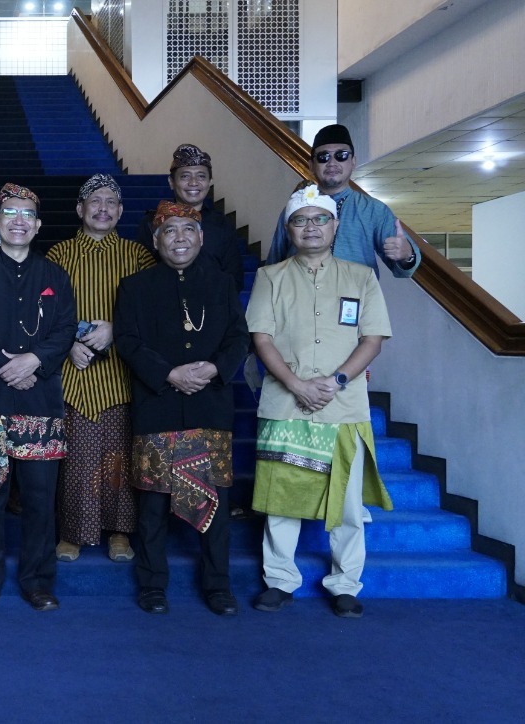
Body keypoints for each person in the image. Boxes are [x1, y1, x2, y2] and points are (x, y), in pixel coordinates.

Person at [247, 186, 395, 618]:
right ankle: (280, 580)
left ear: (335, 226)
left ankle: (346, 583)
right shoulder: (269, 276)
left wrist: (337, 380)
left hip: (342, 405)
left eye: (320, 219)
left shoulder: (361, 277)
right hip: (284, 402)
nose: (310, 227)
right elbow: (261, 337)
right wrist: (296, 383)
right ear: (289, 228)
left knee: (348, 504)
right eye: (300, 220)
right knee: (280, 498)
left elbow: (373, 338)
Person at [114, 201, 249, 616]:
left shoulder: (222, 283)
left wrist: (213, 368)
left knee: (216, 506)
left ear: (201, 238)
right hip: (159, 406)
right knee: (152, 506)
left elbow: (238, 338)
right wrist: (170, 374)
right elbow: (129, 341)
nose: (179, 238)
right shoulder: (135, 287)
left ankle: (218, 586)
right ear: (156, 240)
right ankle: (153, 584)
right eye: (169, 231)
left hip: (209, 405)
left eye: (187, 230)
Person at [0, 184, 76, 612]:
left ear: (38, 225)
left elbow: (65, 330)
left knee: (41, 502)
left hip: (39, 405)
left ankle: (38, 582)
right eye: (10, 213)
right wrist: (7, 367)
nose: (19, 220)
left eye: (27, 214)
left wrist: (34, 362)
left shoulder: (55, 275)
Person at [45, 174, 155, 563]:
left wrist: (116, 330)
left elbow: (150, 313)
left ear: (121, 211)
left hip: (120, 373)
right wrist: (68, 345)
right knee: (75, 460)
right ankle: (72, 533)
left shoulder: (137, 255)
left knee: (119, 457)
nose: (103, 208)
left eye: (111, 202)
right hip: (73, 371)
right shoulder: (58, 255)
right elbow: (46, 314)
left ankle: (120, 532)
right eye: (95, 202)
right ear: (80, 209)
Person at [266, 124, 421, 278]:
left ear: (353, 162)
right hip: (299, 299)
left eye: (341, 155)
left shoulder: (373, 210)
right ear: (311, 165)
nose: (332, 163)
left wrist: (407, 255)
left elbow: (403, 268)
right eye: (323, 157)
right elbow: (274, 264)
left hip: (357, 298)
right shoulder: (295, 209)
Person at [134, 144, 245, 293]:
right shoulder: (152, 222)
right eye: (185, 176)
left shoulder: (221, 223)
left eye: (201, 176)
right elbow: (143, 276)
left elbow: (234, 277)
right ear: (171, 182)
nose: (193, 182)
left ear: (210, 182)